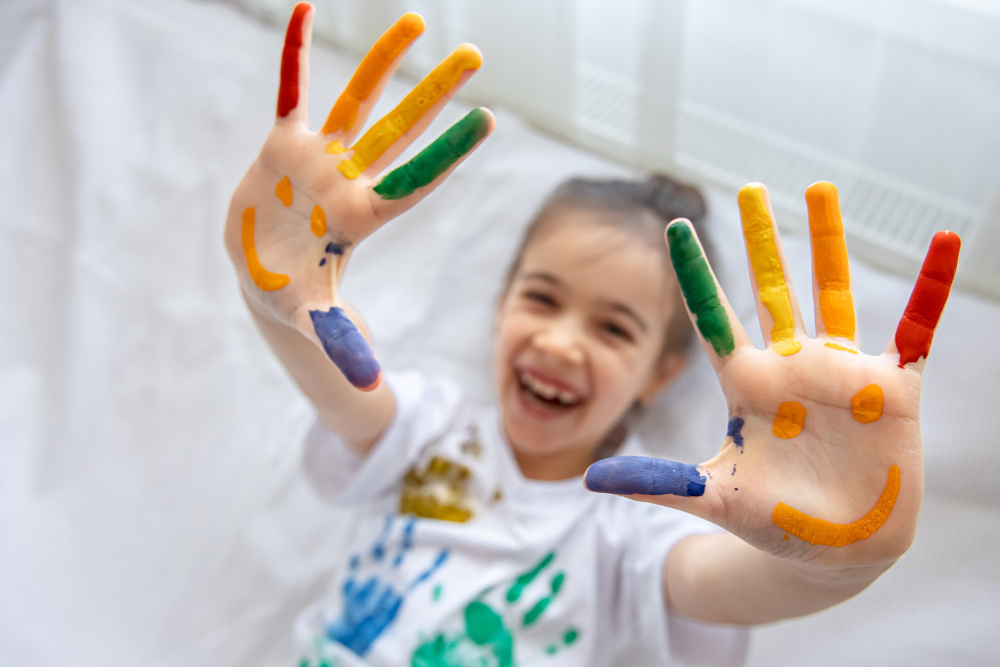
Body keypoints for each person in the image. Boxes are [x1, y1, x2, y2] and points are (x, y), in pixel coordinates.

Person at [223, 5, 962, 666]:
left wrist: (838, 558)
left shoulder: (634, 529)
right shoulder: (427, 429)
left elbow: (738, 584)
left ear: (660, 373)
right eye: (541, 298)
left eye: (613, 327)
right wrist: (266, 294)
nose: (561, 343)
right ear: (500, 307)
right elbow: (332, 383)